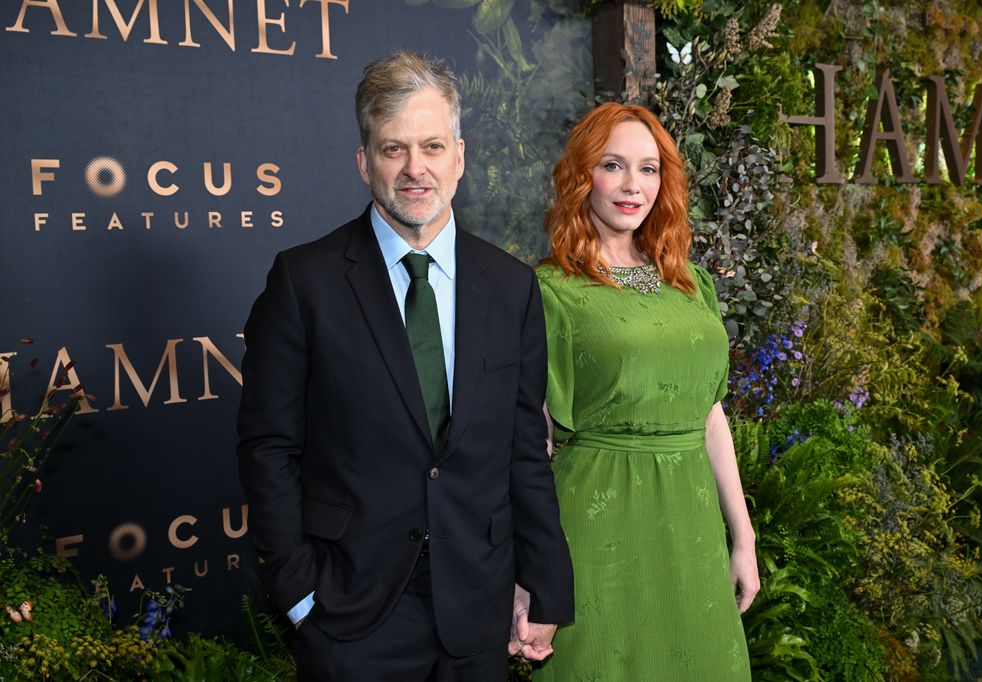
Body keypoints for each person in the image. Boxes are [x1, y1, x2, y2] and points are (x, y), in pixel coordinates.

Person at [237, 51, 574, 681]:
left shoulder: (511, 287)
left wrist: (541, 579)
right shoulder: (304, 281)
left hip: (479, 605)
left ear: (460, 156)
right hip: (350, 612)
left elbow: (526, 448)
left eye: (433, 146)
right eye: (393, 150)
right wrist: (299, 594)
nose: (415, 169)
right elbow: (268, 448)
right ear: (365, 161)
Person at [527, 102, 759, 680]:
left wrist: (743, 535)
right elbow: (533, 441)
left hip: (692, 527)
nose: (633, 186)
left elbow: (709, 413)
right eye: (613, 165)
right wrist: (532, 569)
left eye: (649, 169)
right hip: (596, 527)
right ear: (582, 177)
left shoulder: (690, 282)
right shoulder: (548, 290)